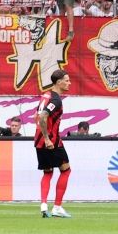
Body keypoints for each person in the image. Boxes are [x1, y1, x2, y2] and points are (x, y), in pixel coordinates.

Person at [36, 68, 72, 219]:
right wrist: (47, 138)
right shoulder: (56, 100)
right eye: (67, 80)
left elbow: (37, 115)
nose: (69, 83)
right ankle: (57, 207)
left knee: (48, 172)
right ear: (59, 82)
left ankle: (44, 204)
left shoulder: (45, 95)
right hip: (51, 141)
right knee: (66, 170)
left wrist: (42, 137)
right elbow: (43, 117)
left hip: (38, 141)